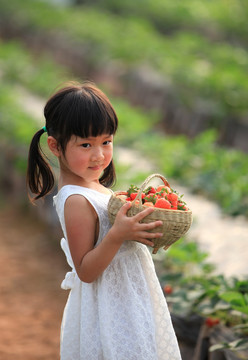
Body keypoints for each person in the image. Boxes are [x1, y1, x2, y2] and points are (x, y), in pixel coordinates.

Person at [26, 81, 182, 360]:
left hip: (128, 299)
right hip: (109, 309)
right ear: (55, 146)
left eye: (106, 142)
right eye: (86, 144)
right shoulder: (75, 200)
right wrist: (118, 234)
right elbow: (85, 270)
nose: (99, 155)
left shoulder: (93, 187)